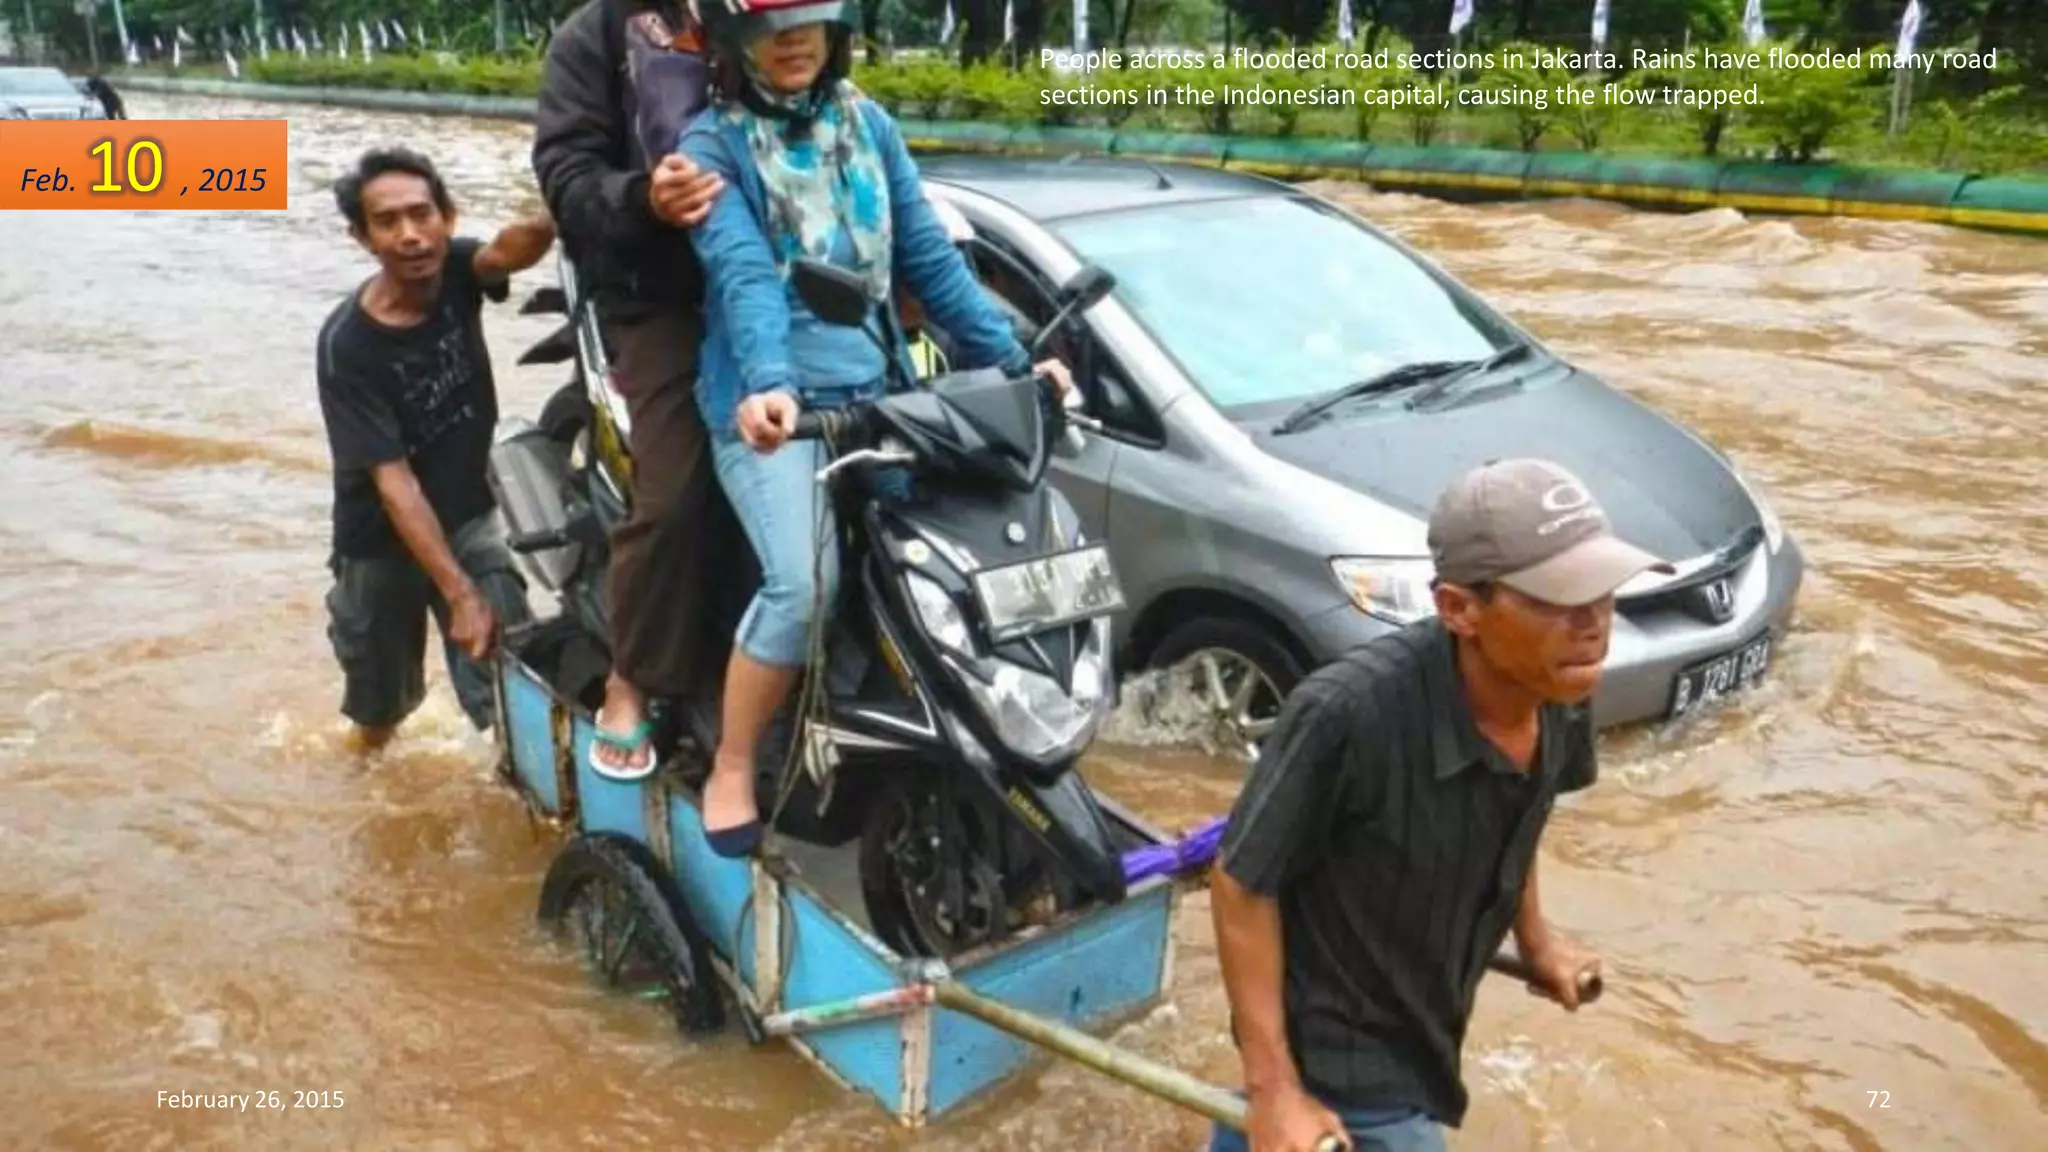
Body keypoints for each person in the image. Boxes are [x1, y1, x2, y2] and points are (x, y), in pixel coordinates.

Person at [677, 0, 1073, 856]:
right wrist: (775, 388)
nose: (794, 41)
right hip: (773, 415)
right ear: (735, 41)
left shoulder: (871, 126)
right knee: (803, 586)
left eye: (810, 20)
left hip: (886, 390)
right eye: (773, 26)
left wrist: (1013, 366)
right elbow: (745, 277)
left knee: (970, 550)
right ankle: (735, 763)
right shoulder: (712, 147)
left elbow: (928, 257)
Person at [1207, 457, 1676, 1152]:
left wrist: (1536, 938)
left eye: (1604, 591)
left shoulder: (1559, 685)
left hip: (1424, 1022)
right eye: (1556, 598)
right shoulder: (1346, 714)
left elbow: (1520, 815)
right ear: (1459, 609)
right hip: (1340, 1058)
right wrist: (1276, 1092)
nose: (1593, 622)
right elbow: (1240, 884)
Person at [533, 0, 729, 780]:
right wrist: (645, 199)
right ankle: (633, 677)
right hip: (661, 294)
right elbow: (566, 176)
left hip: (780, 284)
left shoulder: (764, 14)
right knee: (676, 491)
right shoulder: (594, 38)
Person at [317, 148, 556, 750]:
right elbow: (393, 484)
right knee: (381, 715)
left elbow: (506, 253)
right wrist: (458, 594)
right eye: (387, 221)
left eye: (422, 214)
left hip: (468, 514)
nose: (410, 235)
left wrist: (568, 204)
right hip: (380, 543)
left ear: (447, 217)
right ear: (361, 237)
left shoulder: (454, 267)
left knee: (514, 687)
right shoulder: (349, 346)